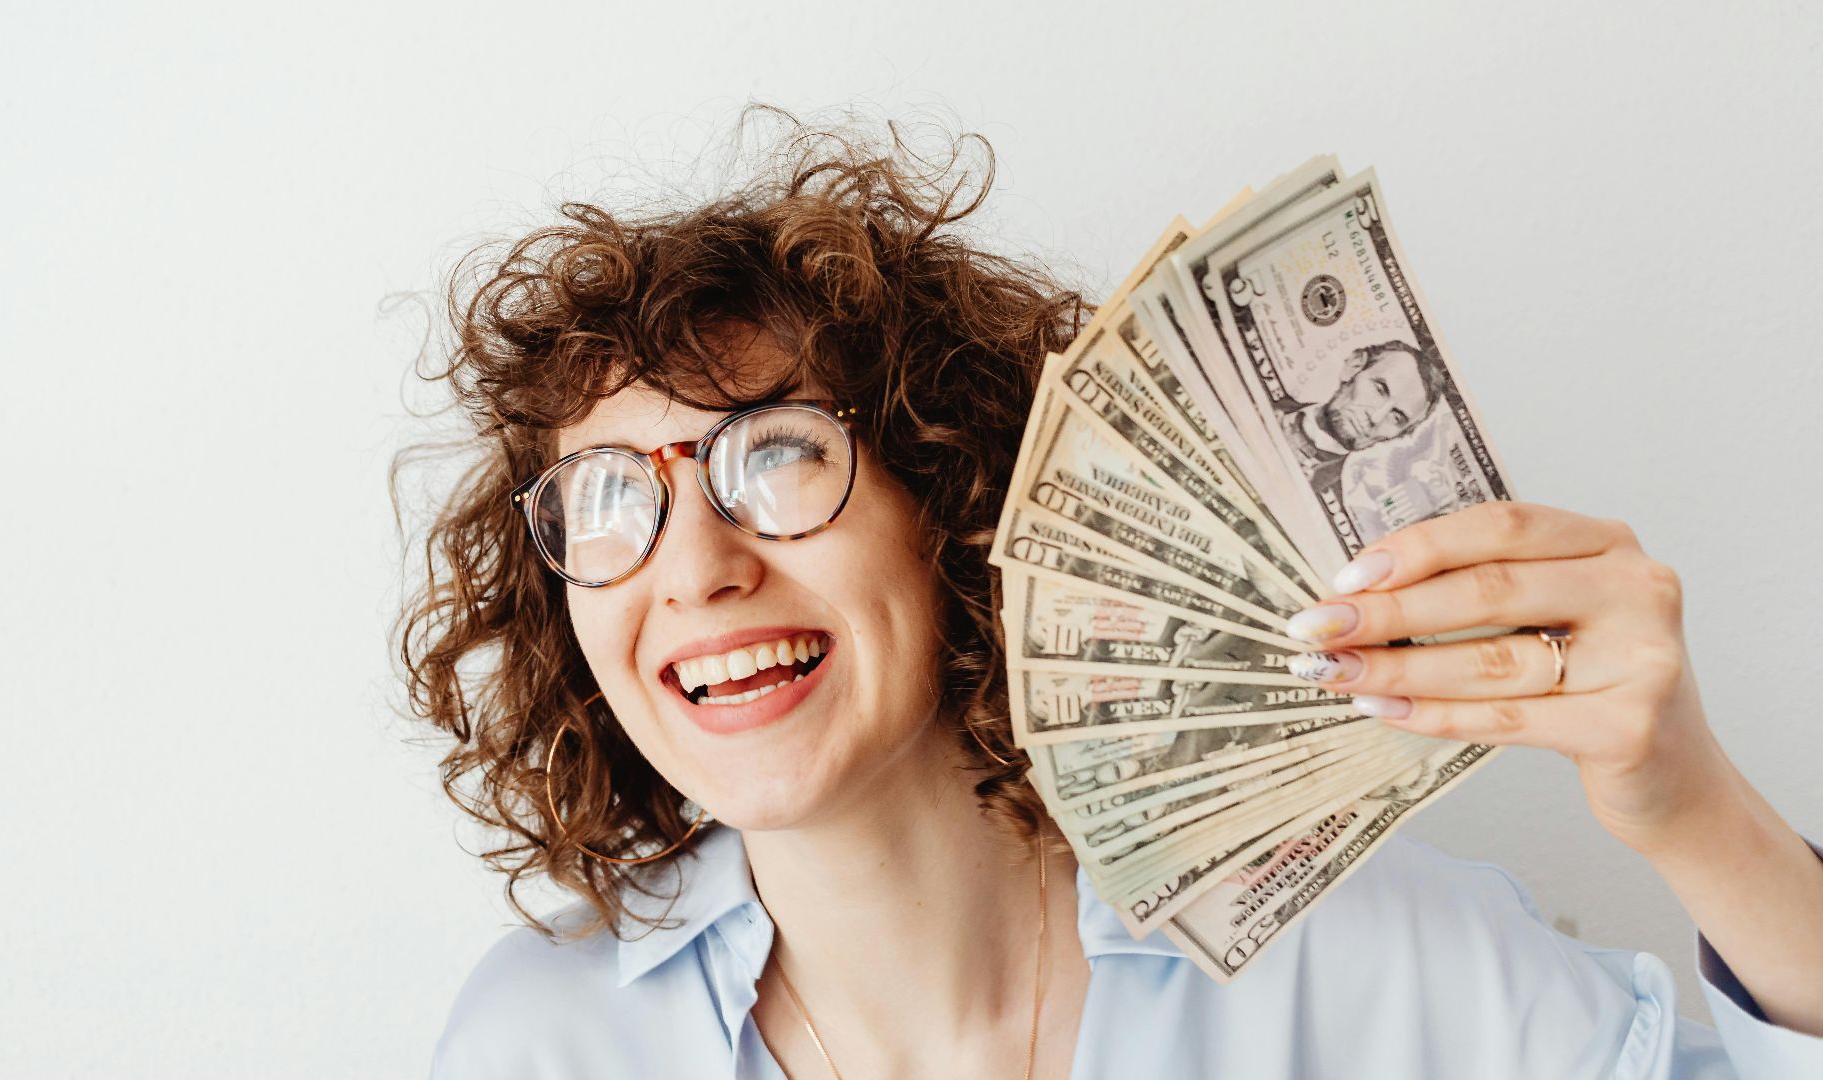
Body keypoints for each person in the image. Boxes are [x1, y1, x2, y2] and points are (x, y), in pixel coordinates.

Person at [395, 113, 1823, 1079]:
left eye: (778, 458)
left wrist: (1694, 807)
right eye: (607, 502)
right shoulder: (539, 1045)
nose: (698, 569)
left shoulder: (1367, 958)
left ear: (955, 506)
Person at [1277, 339, 1448, 492]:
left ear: (1400, 434)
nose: (1375, 417)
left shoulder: (1333, 504)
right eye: (1380, 390)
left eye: (1397, 417)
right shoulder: (1265, 400)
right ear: (1354, 367)